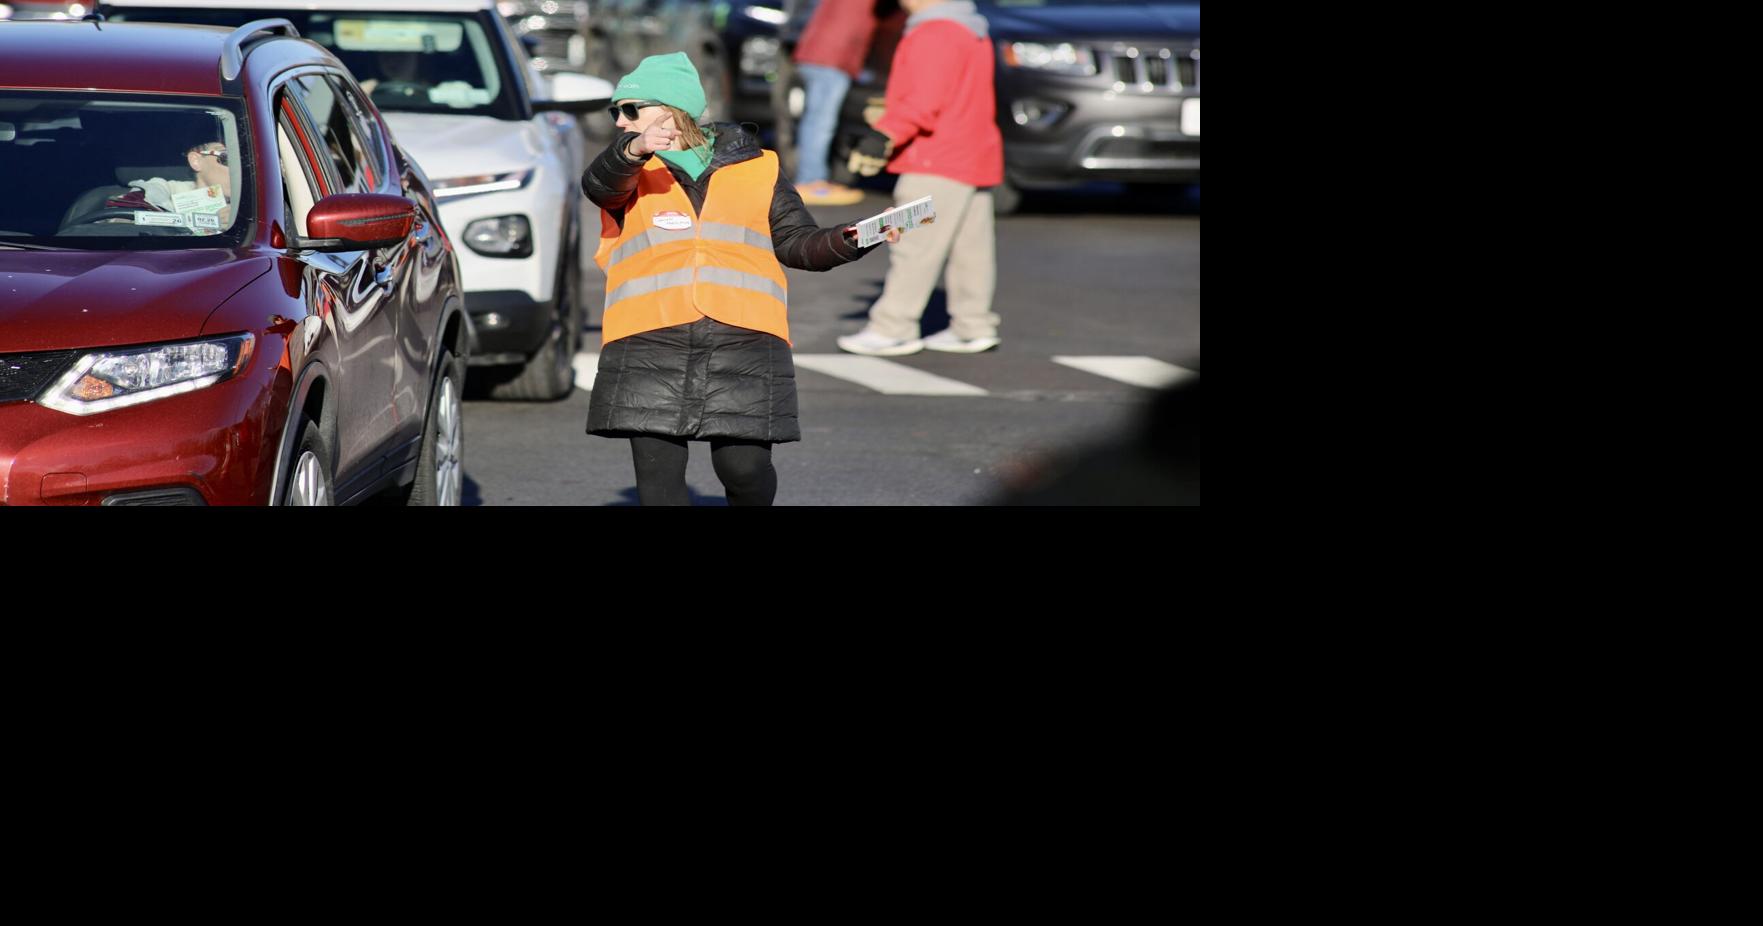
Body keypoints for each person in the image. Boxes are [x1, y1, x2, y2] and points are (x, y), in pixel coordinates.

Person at [581, 52, 896, 506]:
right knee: (659, 483)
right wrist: (634, 148)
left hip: (744, 338)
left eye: (631, 109)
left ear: (672, 109)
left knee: (743, 469)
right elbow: (600, 185)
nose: (620, 122)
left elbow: (799, 244)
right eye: (616, 112)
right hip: (649, 337)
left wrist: (860, 235)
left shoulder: (759, 166)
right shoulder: (629, 168)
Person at [836, 0, 1002, 357]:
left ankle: (893, 327)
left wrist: (884, 135)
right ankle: (972, 326)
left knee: (912, 246)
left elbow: (924, 103)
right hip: (971, 153)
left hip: (934, 159)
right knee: (970, 249)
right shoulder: (969, 27)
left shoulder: (933, 32)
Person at [790, 0, 876, 206]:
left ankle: (814, 177)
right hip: (832, 57)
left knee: (818, 121)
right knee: (820, 123)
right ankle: (810, 181)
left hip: (821, 53)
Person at [102, 136, 233, 233]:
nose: (239, 166)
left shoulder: (251, 203)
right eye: (227, 157)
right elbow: (119, 228)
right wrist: (207, 222)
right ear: (196, 161)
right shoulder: (154, 192)